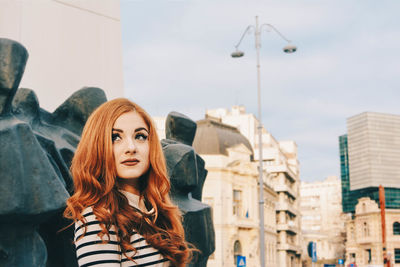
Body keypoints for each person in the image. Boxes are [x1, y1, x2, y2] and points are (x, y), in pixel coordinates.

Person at [64, 98, 192, 267]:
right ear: (97, 147)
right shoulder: (99, 217)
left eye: (140, 136)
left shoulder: (155, 214)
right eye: (115, 137)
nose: (131, 147)